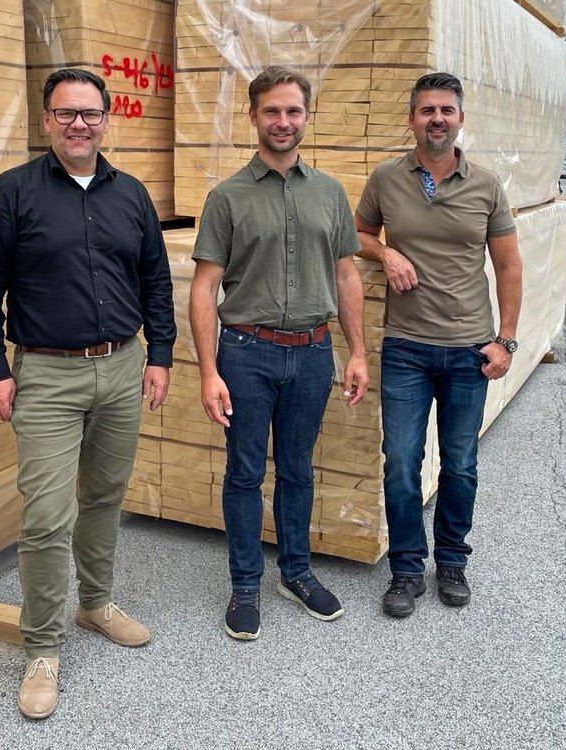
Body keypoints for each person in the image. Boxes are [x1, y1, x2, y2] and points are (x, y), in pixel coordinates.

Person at [0, 68, 175, 719]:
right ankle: (42, 649)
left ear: (107, 120)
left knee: (105, 495)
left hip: (121, 367)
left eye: (90, 113)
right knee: (47, 516)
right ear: (47, 120)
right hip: (47, 377)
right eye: (65, 113)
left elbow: (155, 280)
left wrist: (160, 355)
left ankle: (95, 604)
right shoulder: (12, 193)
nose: (79, 124)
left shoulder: (131, 194)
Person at [189, 66, 369, 641]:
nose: (283, 121)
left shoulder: (330, 193)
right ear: (253, 117)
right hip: (246, 354)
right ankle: (245, 584)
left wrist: (357, 352)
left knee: (297, 468)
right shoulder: (227, 197)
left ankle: (296, 573)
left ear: (306, 117)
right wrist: (208, 371)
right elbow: (203, 288)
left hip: (313, 354)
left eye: (293, 111)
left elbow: (346, 275)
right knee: (244, 472)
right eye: (272, 111)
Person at [355, 72, 522, 618]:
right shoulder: (387, 178)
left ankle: (451, 561)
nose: (437, 119)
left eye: (447, 110)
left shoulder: (486, 186)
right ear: (412, 119)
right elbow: (355, 234)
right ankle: (406, 569)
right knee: (401, 462)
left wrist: (506, 341)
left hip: (469, 349)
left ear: (460, 119)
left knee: (461, 462)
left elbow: (508, 265)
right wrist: (386, 253)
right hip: (406, 346)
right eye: (427, 110)